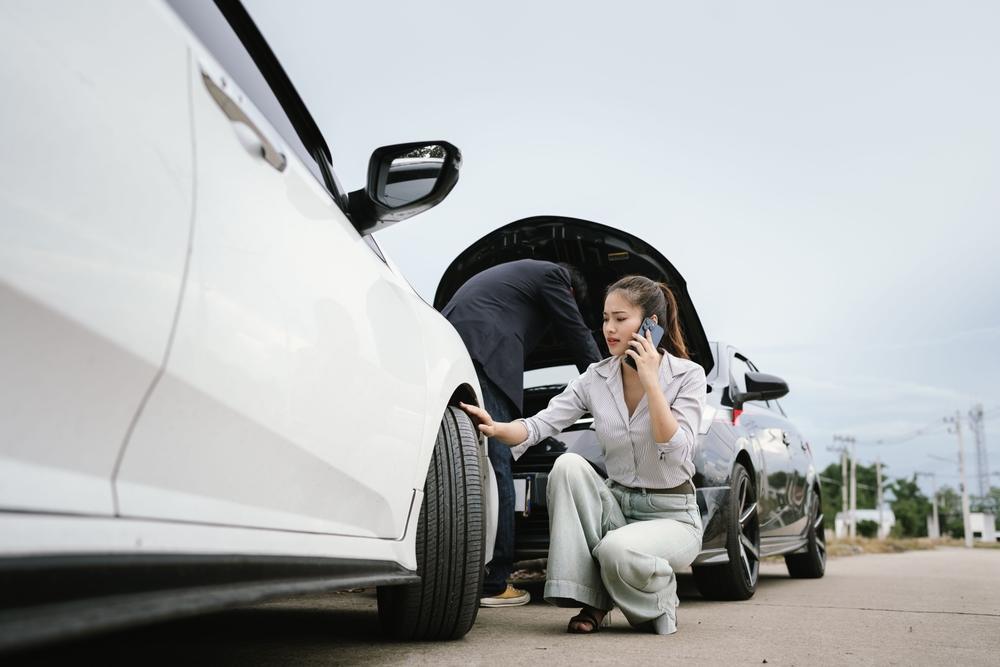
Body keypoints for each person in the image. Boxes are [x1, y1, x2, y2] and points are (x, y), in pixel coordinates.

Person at [460, 275, 706, 634]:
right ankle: (591, 600)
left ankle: (661, 597)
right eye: (606, 318)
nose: (609, 328)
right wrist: (496, 427)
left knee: (616, 551)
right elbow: (539, 426)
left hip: (673, 516)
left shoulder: (687, 376)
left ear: (651, 325)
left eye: (620, 319)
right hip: (618, 505)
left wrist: (652, 381)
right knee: (568, 465)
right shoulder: (595, 378)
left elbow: (678, 447)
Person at [443, 258, 601, 608]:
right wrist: (608, 382)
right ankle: (496, 581)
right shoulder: (553, 275)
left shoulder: (513, 283)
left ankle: (452, 570)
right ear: (571, 292)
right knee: (498, 460)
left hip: (451, 345)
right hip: (486, 350)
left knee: (459, 461)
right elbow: (576, 332)